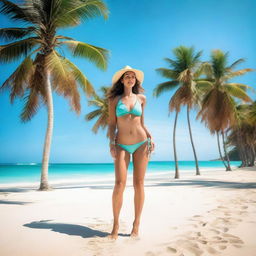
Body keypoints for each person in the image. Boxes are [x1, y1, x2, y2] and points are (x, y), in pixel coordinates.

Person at [107, 65, 155, 239]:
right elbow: (112, 125)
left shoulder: (141, 98)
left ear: (135, 80)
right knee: (119, 184)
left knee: (139, 184)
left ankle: (136, 225)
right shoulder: (114, 99)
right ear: (122, 80)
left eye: (133, 77)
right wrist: (111, 143)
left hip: (142, 143)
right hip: (122, 145)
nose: (130, 78)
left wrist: (150, 137)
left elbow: (142, 123)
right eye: (127, 76)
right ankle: (116, 225)